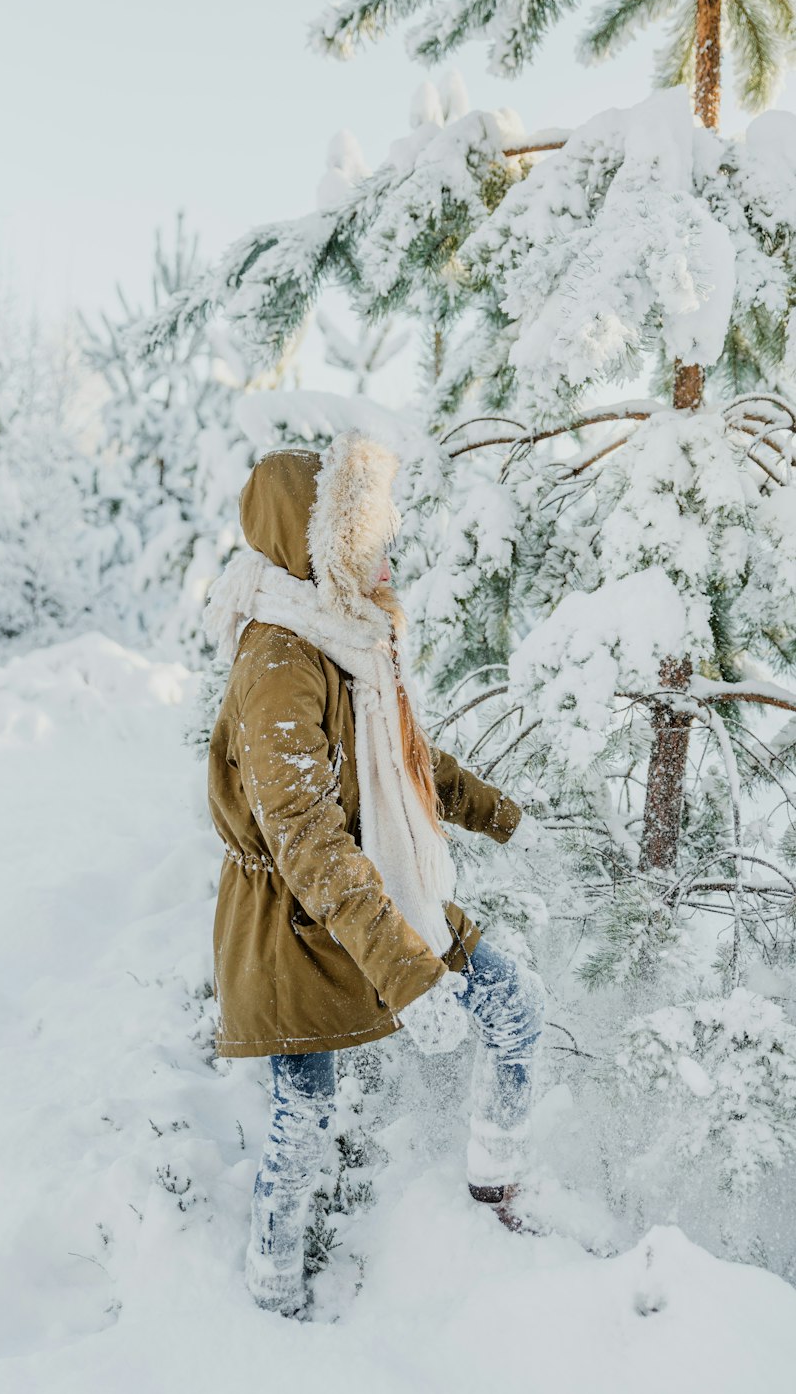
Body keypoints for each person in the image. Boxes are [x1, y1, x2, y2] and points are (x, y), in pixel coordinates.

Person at [203, 431, 547, 1317]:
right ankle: (270, 1296)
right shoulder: (279, 659)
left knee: (514, 1010)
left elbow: (397, 759)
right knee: (303, 1124)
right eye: (361, 537)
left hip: (371, 896)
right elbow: (307, 839)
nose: (384, 550)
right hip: (299, 927)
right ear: (315, 547)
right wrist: (405, 970)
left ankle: (496, 1196)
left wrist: (496, 812)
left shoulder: (345, 636)